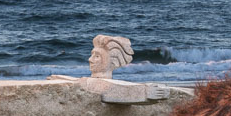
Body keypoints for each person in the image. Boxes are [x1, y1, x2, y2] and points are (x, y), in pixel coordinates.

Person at [49, 35, 186, 104]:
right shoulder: (94, 82)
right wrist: (57, 78)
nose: (90, 59)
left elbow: (118, 91)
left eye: (97, 56)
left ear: (111, 61)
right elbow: (81, 82)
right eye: (92, 55)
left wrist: (146, 92)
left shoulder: (104, 84)